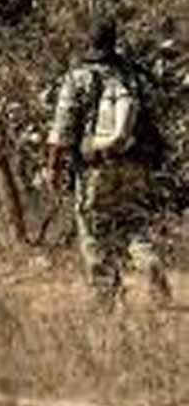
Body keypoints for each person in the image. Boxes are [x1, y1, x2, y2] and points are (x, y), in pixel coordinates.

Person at [46, 17, 173, 313]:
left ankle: (105, 296)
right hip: (135, 164)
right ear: (114, 41)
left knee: (93, 231)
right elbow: (154, 115)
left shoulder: (78, 77)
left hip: (96, 168)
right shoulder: (133, 74)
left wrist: (53, 167)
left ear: (88, 42)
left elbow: (62, 130)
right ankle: (149, 261)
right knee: (133, 223)